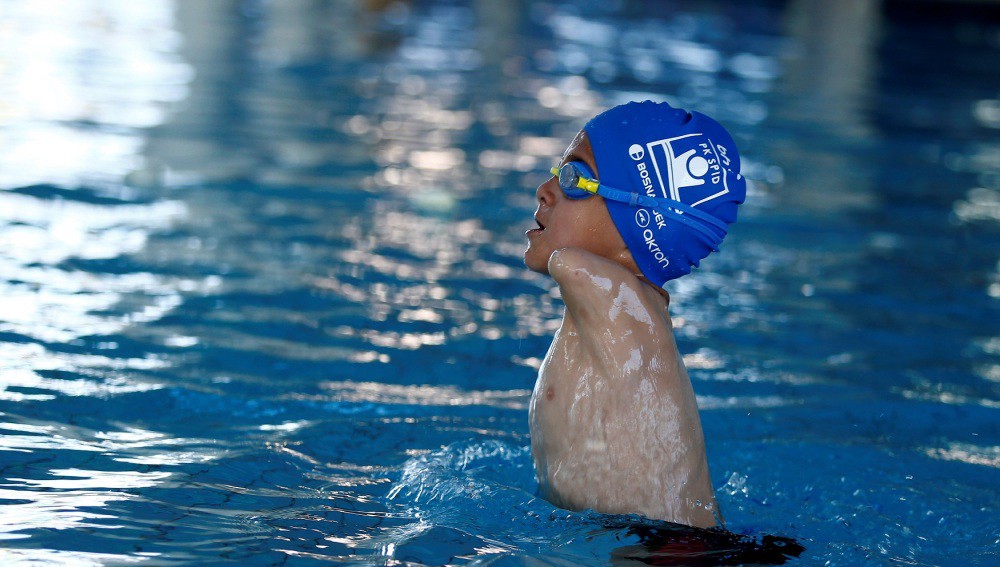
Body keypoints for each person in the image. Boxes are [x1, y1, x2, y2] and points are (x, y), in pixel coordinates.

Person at [524, 100, 746, 529]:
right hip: (652, 542)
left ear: (637, 234)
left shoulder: (611, 296)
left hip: (664, 550)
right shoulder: (625, 312)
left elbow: (567, 260)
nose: (545, 190)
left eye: (574, 178)